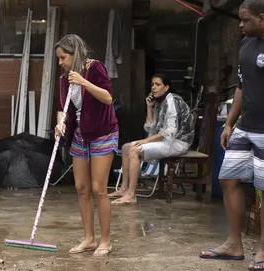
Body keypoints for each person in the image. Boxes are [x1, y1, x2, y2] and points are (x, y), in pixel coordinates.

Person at [199, 0, 264, 271]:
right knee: (228, 179)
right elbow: (241, 87)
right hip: (245, 127)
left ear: (262, 18)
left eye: (245, 20)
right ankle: (234, 244)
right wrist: (230, 123)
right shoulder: (245, 44)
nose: (241, 25)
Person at [55, 34, 119, 256]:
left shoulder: (95, 68)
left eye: (63, 57)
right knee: (81, 187)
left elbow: (108, 97)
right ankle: (89, 239)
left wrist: (83, 81)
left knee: (98, 188)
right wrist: (59, 123)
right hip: (80, 135)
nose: (60, 63)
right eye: (59, 59)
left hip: (102, 133)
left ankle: (105, 241)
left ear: (75, 53)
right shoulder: (65, 79)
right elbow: (63, 107)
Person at [111, 75, 195, 205]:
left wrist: (146, 141)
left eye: (157, 84)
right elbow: (151, 127)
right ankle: (124, 189)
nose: (153, 88)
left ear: (166, 87)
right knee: (125, 147)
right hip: (166, 141)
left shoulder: (172, 100)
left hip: (178, 142)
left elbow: (170, 131)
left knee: (134, 150)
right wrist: (149, 107)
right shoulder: (159, 103)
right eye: (152, 85)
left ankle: (131, 195)